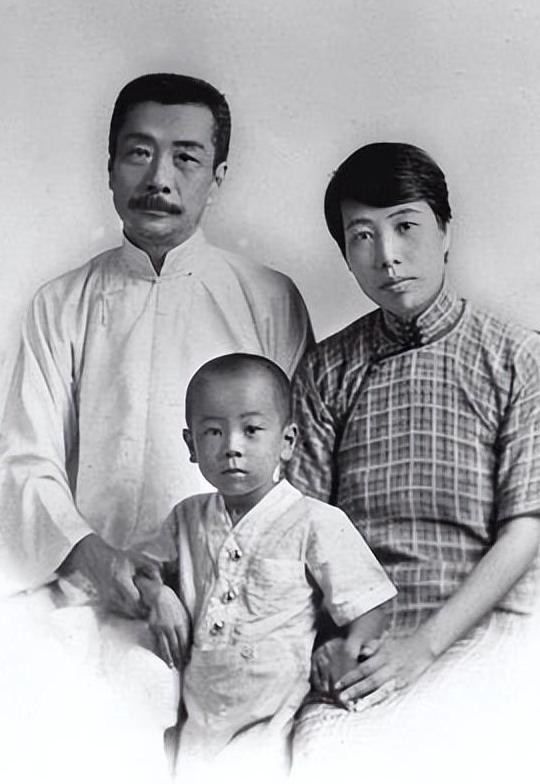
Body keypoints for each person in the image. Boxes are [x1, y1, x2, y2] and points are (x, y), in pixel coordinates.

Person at [0, 73, 311, 781]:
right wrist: (94, 558)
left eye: (186, 157)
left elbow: (302, 467)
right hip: (85, 593)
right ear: (110, 165)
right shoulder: (61, 304)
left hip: (235, 607)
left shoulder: (267, 299)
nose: (159, 178)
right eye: (139, 153)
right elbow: (26, 460)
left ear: (217, 176)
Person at [287, 143, 540, 780]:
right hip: (365, 645)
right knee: (325, 753)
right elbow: (302, 535)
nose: (387, 255)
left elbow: (525, 531)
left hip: (489, 635)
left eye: (406, 226)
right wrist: (331, 647)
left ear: (445, 231)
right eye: (362, 236)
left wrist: (424, 647)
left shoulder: (518, 358)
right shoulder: (327, 371)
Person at [136, 352, 396, 775]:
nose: (232, 447)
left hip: (274, 719)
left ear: (287, 441)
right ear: (191, 445)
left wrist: (349, 649)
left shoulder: (315, 521)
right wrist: (158, 596)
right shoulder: (186, 517)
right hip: (200, 715)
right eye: (213, 431)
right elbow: (140, 570)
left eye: (252, 430)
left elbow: (371, 604)